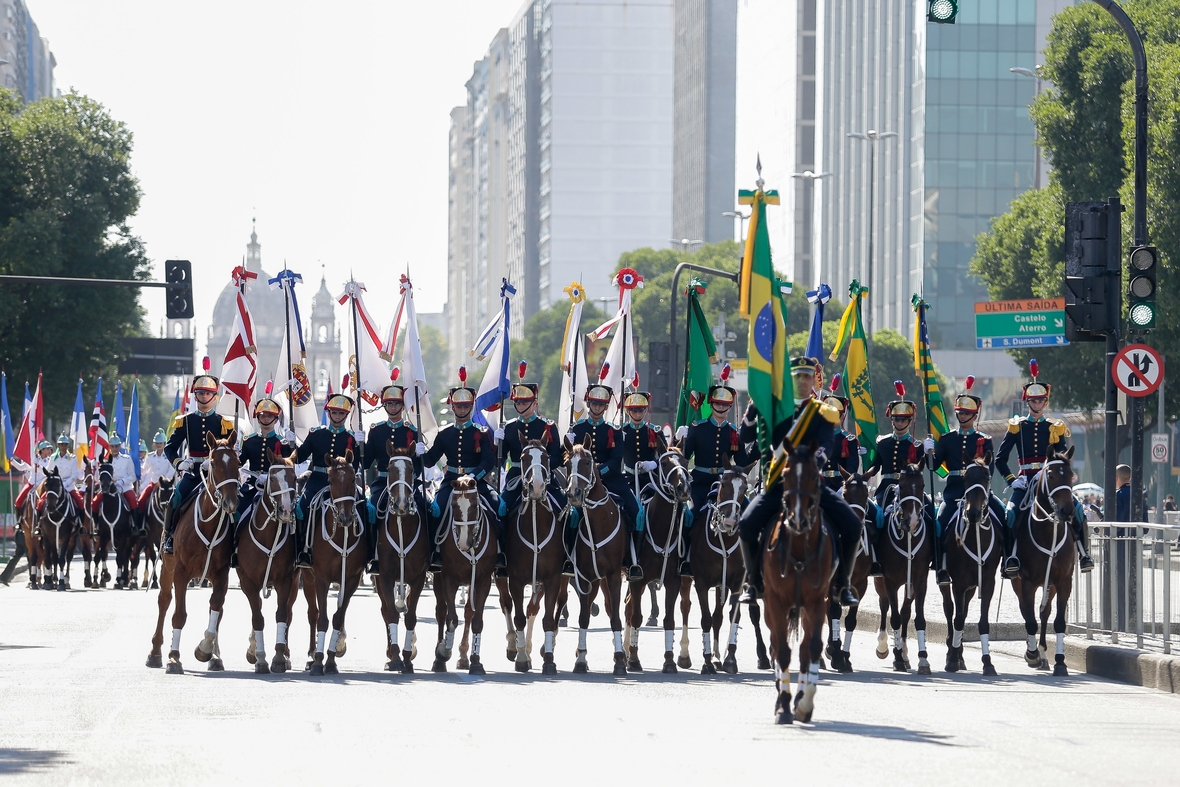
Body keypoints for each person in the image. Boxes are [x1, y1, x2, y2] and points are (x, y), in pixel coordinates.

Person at [736, 356, 862, 607]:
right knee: (747, 523)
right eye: (797, 377)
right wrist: (753, 408)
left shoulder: (822, 411)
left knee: (853, 525)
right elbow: (746, 435)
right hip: (778, 483)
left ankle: (842, 585)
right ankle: (754, 582)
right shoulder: (775, 408)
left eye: (807, 376)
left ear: (813, 379)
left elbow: (827, 442)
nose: (803, 381)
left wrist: (812, 462)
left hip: (812, 485)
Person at [996, 359, 1093, 574]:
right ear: (1027, 402)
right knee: (1010, 513)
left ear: (1045, 402)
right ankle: (1010, 557)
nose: (1037, 405)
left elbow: (1064, 456)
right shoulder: (1017, 426)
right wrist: (1013, 480)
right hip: (1026, 480)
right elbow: (1000, 459)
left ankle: (1084, 553)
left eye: (1040, 401)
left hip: (1051, 480)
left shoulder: (1055, 427)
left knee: (1077, 509)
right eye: (1033, 401)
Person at [422, 369, 504, 575]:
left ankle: (502, 553)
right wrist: (419, 451)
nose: (461, 410)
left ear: (471, 406)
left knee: (498, 507)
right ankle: (434, 552)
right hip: (450, 481)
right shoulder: (445, 434)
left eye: (466, 406)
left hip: (476, 482)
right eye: (458, 406)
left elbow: (488, 461)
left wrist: (473, 476)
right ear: (452, 407)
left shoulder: (482, 433)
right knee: (436, 510)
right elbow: (431, 460)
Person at [674, 365, 754, 577]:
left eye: (725, 405)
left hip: (727, 487)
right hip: (700, 483)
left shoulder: (733, 432)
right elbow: (684, 457)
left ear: (729, 407)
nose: (721, 408)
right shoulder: (697, 428)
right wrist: (679, 439)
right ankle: (685, 558)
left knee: (751, 514)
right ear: (711, 403)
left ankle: (751, 564)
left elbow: (743, 461)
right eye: (717, 403)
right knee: (689, 516)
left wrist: (755, 444)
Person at [931, 375, 1007, 586]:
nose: (962, 416)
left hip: (980, 493)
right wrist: (930, 454)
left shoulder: (985, 440)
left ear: (974, 415)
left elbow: (989, 470)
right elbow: (937, 467)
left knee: (1005, 517)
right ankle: (940, 565)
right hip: (954, 492)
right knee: (939, 524)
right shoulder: (947, 439)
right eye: (960, 412)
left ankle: (1008, 559)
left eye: (967, 413)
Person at [567, 380, 643, 580]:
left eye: (601, 404)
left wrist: (597, 472)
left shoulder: (615, 431)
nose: (597, 407)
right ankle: (568, 557)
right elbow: (566, 456)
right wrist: (564, 441)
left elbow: (616, 459)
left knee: (636, 513)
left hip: (611, 480)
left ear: (606, 406)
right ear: (588, 403)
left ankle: (632, 560)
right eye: (594, 403)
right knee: (570, 516)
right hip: (582, 483)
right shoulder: (578, 428)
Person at [162, 365, 238, 554]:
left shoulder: (223, 422)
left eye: (208, 393)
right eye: (201, 393)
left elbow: (234, 449)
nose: (204, 397)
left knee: (236, 501)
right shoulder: (185, 421)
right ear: (195, 396)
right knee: (175, 498)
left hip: (218, 474)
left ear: (215, 396)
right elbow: (169, 448)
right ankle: (169, 537)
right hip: (194, 471)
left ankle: (236, 544)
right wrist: (180, 462)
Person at [495, 365, 567, 546]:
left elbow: (557, 457)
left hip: (545, 476)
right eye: (517, 402)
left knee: (567, 509)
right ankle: (501, 552)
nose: (520, 405)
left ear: (534, 402)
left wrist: (543, 466)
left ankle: (568, 551)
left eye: (524, 402)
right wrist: (497, 445)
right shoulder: (509, 427)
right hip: (516, 478)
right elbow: (501, 461)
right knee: (500, 508)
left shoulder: (547, 426)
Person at [364, 379, 427, 575]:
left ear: (402, 406)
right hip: (383, 481)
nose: (393, 407)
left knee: (427, 507)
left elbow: (419, 467)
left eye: (397, 403)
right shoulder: (376, 430)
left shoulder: (412, 431)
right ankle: (372, 554)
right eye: (389, 403)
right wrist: (361, 448)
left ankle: (432, 552)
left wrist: (422, 454)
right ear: (384, 405)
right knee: (371, 510)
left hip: (408, 483)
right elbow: (366, 464)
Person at [293, 393, 363, 568]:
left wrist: (362, 445)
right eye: (334, 413)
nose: (337, 417)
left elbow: (364, 463)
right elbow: (299, 458)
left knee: (364, 507)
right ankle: (303, 550)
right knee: (302, 507)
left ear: (346, 416)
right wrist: (290, 444)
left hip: (344, 484)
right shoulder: (317, 434)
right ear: (329, 413)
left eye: (341, 414)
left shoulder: (351, 437)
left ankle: (367, 553)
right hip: (318, 480)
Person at [232, 392, 295, 567]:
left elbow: (291, 464)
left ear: (275, 420)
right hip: (253, 485)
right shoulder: (249, 440)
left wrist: (292, 445)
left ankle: (298, 550)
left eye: (269, 416)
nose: (265, 418)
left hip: (277, 486)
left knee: (295, 515)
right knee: (236, 511)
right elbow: (240, 462)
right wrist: (234, 452)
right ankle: (233, 547)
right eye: (262, 415)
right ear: (258, 418)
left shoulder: (282, 442)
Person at [93, 435, 143, 533]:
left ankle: (135, 525)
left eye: (116, 446)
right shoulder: (104, 461)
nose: (114, 448)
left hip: (124, 487)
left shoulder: (126, 459)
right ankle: (97, 526)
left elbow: (133, 476)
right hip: (108, 488)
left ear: (120, 446)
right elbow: (97, 478)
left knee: (133, 501)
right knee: (94, 502)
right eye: (112, 446)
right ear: (109, 447)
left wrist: (121, 482)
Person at [620, 390, 666, 496]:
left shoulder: (655, 431)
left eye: (640, 411)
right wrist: (619, 440)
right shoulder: (621, 431)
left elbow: (666, 456)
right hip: (628, 477)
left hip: (651, 478)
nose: (637, 414)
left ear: (645, 411)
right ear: (627, 411)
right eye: (633, 411)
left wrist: (655, 463)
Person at [35, 434, 85, 514]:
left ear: (68, 446)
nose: (63, 446)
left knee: (80, 502)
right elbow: (47, 471)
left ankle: (80, 525)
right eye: (61, 444)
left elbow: (74, 475)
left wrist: (65, 484)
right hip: (55, 487)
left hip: (69, 486)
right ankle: (39, 525)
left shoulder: (72, 458)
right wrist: (37, 466)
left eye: (65, 444)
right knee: (40, 503)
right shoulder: (53, 457)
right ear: (58, 445)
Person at [137, 430, 176, 513]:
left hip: (167, 485)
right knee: (141, 501)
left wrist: (164, 481)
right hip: (154, 484)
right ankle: (142, 523)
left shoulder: (169, 455)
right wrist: (137, 468)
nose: (158, 445)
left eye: (160, 443)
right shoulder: (150, 456)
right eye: (157, 443)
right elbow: (144, 470)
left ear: (164, 443)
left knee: (176, 501)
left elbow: (172, 469)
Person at [11, 440, 53, 512]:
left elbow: (46, 473)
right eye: (47, 449)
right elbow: (21, 467)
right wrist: (11, 460)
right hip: (31, 483)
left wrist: (38, 466)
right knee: (18, 501)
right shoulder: (33, 459)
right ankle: (19, 521)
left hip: (43, 485)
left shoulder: (50, 461)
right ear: (42, 450)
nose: (50, 451)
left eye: (50, 449)